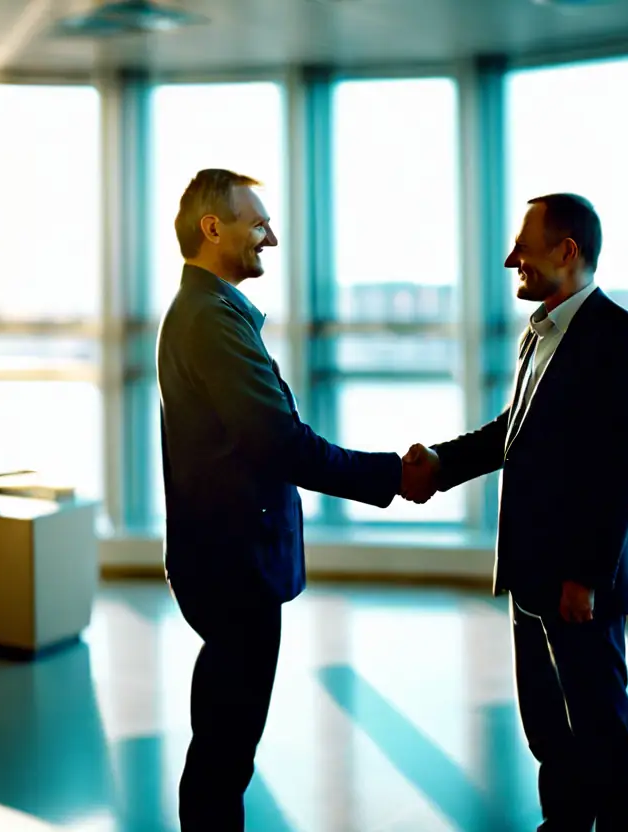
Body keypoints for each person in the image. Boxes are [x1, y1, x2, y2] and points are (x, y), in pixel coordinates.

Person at [157, 168, 431, 830]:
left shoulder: (208, 313)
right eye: (258, 223)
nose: (271, 239)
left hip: (223, 563)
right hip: (235, 569)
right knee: (226, 750)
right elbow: (279, 443)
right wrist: (392, 474)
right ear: (212, 227)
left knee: (222, 741)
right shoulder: (211, 321)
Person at [401, 193, 628, 831]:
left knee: (603, 733)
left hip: (576, 584)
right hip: (531, 574)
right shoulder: (540, 333)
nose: (512, 257)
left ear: (567, 251)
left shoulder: (617, 336)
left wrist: (587, 577)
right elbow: (515, 431)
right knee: (548, 732)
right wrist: (440, 464)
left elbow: (627, 466)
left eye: (525, 245)